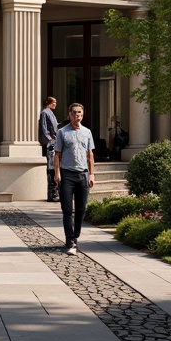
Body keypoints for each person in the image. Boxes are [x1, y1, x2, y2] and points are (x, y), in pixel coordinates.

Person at [54, 102, 96, 255]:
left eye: (80, 113)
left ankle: (74, 236)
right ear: (69, 115)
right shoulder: (62, 132)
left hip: (83, 174)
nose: (77, 115)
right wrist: (57, 173)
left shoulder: (87, 132)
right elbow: (57, 154)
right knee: (67, 210)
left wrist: (91, 174)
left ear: (82, 115)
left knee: (81, 209)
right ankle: (71, 239)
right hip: (66, 175)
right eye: (75, 113)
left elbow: (90, 155)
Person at [39, 95, 59, 201]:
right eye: (54, 102)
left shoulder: (51, 113)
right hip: (50, 144)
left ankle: (55, 192)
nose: (55, 104)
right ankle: (52, 194)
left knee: (54, 167)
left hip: (54, 142)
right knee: (51, 167)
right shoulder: (45, 113)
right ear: (49, 103)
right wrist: (50, 140)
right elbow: (44, 128)